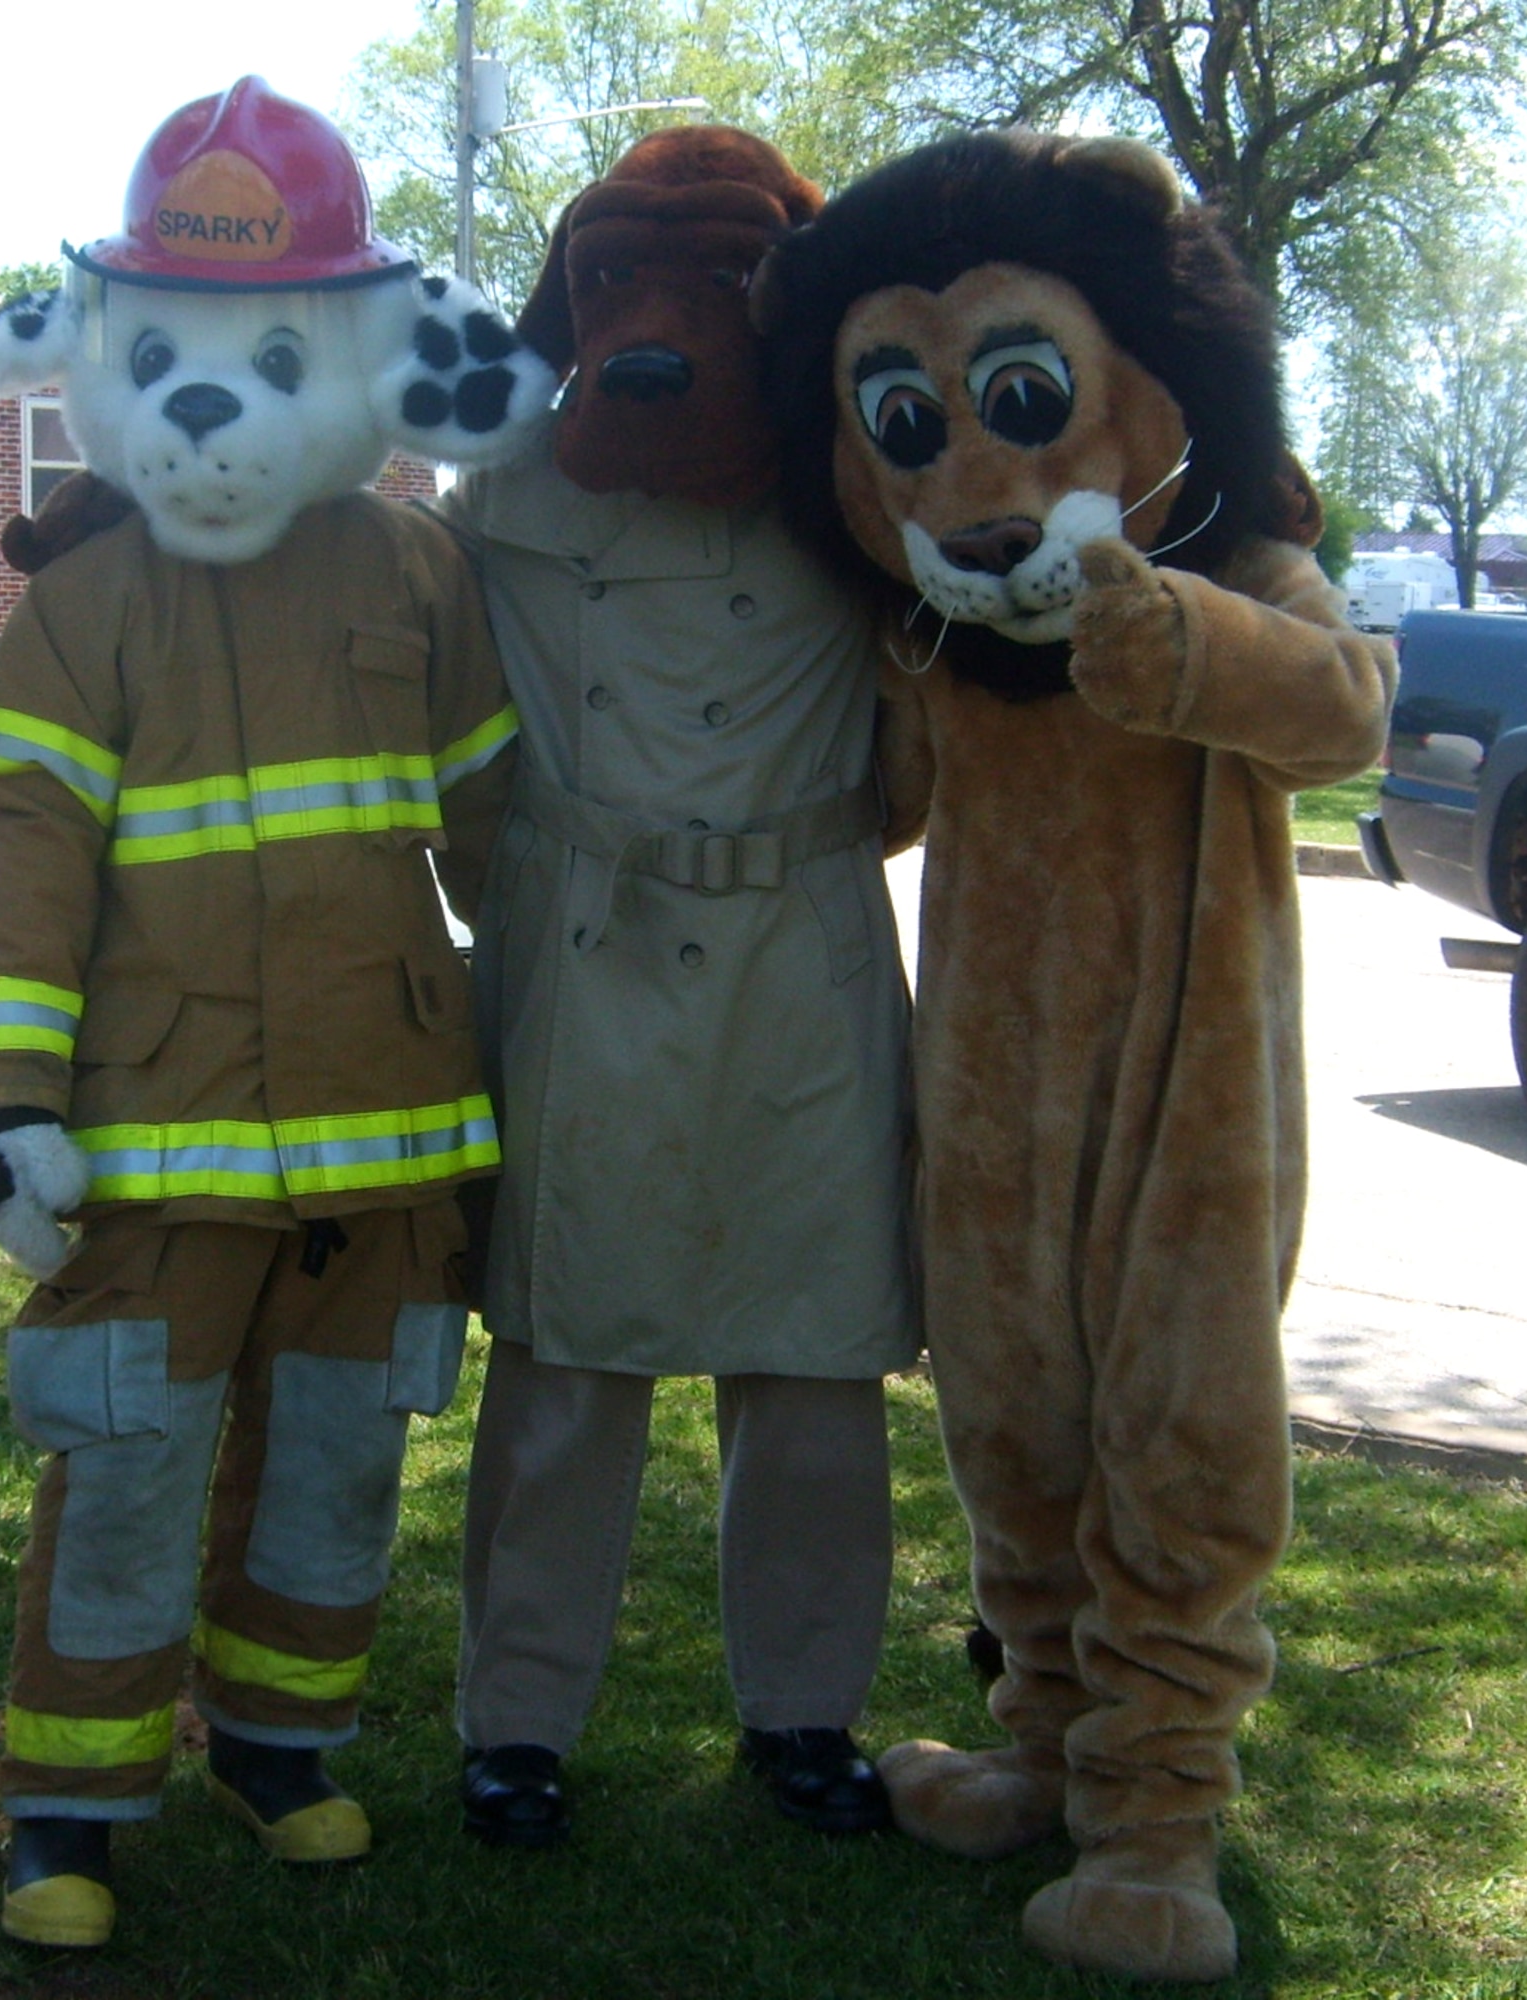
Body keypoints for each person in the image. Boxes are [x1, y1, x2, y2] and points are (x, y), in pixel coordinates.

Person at [0, 77, 553, 1946]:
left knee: (336, 1471)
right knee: (125, 1469)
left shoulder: (421, 568)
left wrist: (581, 1030)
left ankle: (280, 1748)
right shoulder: (81, 607)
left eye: (278, 353)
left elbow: (500, 835)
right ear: (108, 352)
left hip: (386, 1143)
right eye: (173, 355)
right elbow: (25, 863)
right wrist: (6, 1104)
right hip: (155, 1145)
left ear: (364, 359)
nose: (214, 403)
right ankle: (69, 1802)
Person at [436, 125, 918, 1847]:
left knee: (812, 1371)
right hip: (594, 954)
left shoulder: (862, 476)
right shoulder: (503, 495)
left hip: (803, 954)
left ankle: (805, 1708)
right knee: (564, 1369)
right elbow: (437, 700)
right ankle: (516, 1724)